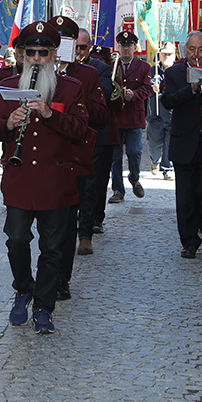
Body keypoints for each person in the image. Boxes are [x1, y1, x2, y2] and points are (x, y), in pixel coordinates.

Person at [0, 20, 88, 334]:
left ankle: (44, 307)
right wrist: (8, 124)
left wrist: (49, 114)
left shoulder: (71, 88)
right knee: (16, 239)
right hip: (18, 179)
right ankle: (23, 288)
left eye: (44, 52)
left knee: (52, 249)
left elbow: (81, 131)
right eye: (31, 52)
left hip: (55, 181)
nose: (37, 59)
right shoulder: (9, 84)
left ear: (54, 54)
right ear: (22, 54)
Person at [49, 18, 107, 296]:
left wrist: (76, 99)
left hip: (73, 155)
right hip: (43, 157)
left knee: (67, 218)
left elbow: (100, 114)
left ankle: (61, 278)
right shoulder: (35, 69)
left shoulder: (87, 75)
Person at [162, 30, 202, 257]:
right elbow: (167, 101)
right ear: (185, 50)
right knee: (185, 196)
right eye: (192, 49)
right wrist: (191, 88)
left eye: (201, 49)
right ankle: (189, 241)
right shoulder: (175, 72)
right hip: (184, 142)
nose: (196, 54)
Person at [75, 30, 116, 255]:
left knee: (90, 187)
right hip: (68, 132)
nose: (79, 52)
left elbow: (104, 99)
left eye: (83, 48)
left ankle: (86, 233)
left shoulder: (100, 69)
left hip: (94, 134)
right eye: (76, 48)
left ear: (90, 48)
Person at [83, 43, 121, 239]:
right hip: (78, 130)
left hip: (102, 130)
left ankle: (95, 218)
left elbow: (114, 101)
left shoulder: (106, 71)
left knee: (97, 179)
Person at [109, 30, 151, 202]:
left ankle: (134, 178)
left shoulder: (143, 67)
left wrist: (134, 94)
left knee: (135, 152)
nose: (126, 49)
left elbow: (147, 88)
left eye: (129, 46)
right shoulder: (112, 66)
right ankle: (118, 190)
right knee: (115, 157)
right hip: (116, 118)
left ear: (135, 47)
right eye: (123, 46)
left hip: (134, 117)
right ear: (118, 47)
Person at [146, 44, 175, 180]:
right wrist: (153, 87)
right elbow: (146, 86)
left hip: (172, 113)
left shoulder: (177, 70)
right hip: (155, 113)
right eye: (164, 54)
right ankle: (155, 160)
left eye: (169, 54)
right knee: (154, 141)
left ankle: (167, 168)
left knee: (170, 142)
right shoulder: (153, 70)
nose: (166, 57)